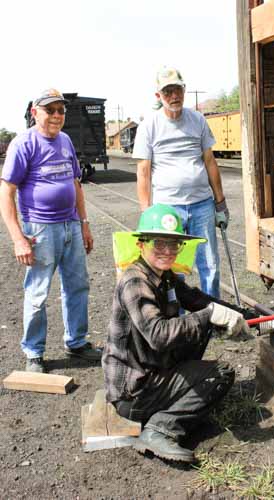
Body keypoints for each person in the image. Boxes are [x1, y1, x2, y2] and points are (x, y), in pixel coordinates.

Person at [102, 204, 250, 463]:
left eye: (174, 245)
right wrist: (209, 316)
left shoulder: (164, 275)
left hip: (150, 369)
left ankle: (169, 402)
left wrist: (241, 314)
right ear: (141, 244)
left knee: (201, 326)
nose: (167, 251)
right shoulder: (135, 282)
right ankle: (160, 429)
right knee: (220, 373)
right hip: (133, 391)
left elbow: (195, 298)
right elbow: (158, 335)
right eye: (159, 243)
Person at [0, 88, 102, 373]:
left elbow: (76, 184)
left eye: (61, 110)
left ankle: (77, 343)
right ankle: (34, 352)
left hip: (70, 225)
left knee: (78, 286)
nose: (57, 115)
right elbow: (6, 192)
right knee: (38, 292)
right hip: (41, 230)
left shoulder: (66, 140)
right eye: (50, 110)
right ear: (35, 113)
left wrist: (84, 224)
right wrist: (18, 238)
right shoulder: (23, 144)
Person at [133, 66, 229, 299]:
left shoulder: (197, 120)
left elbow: (210, 161)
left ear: (184, 90)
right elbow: (143, 171)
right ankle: (177, 320)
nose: (173, 96)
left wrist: (220, 203)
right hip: (168, 209)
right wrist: (146, 213)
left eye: (177, 90)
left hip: (202, 205)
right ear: (158, 96)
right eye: (167, 92)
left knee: (210, 265)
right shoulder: (149, 126)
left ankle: (211, 315)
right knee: (173, 269)